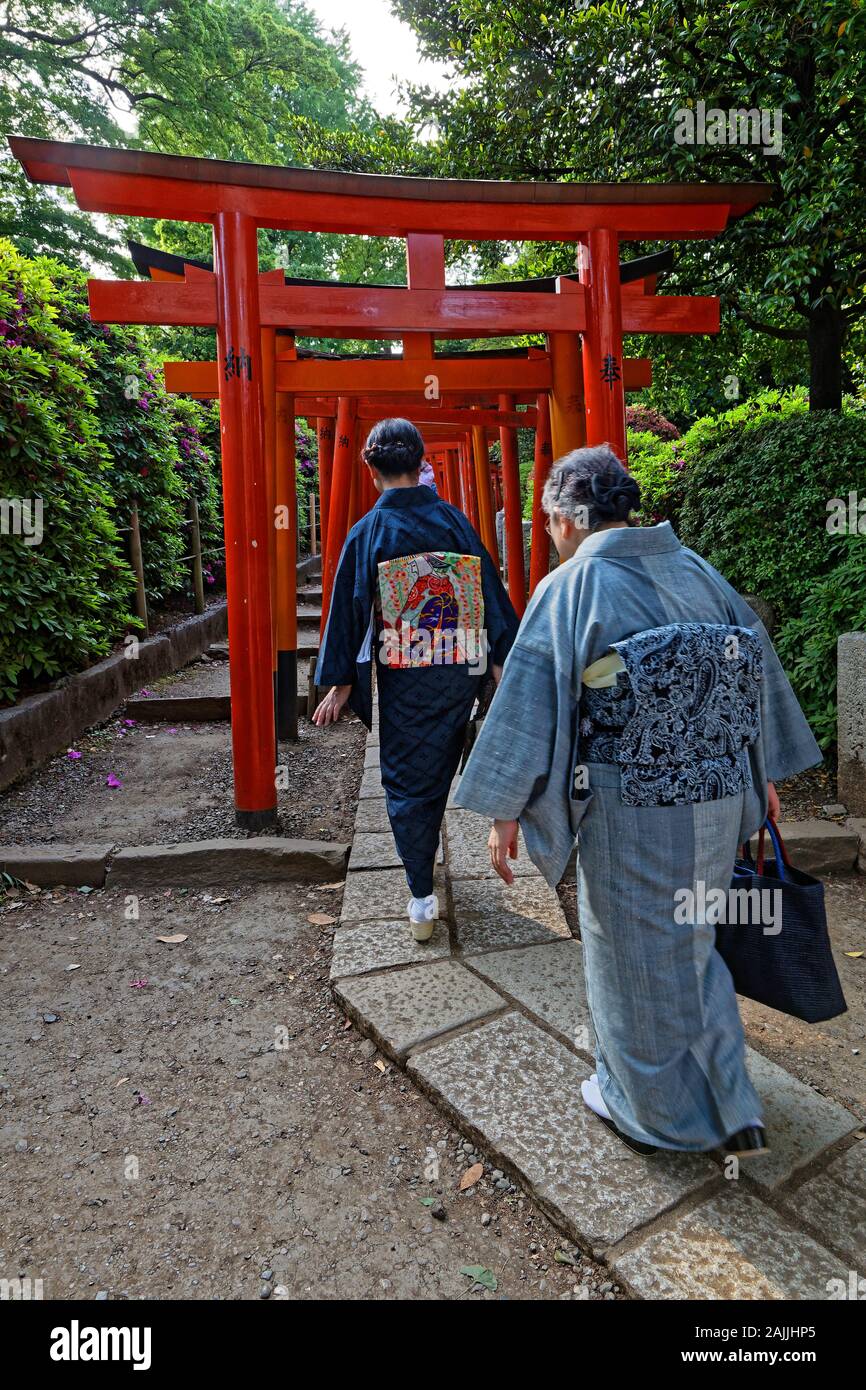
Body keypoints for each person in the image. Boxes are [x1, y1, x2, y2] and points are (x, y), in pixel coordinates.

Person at [454, 444, 822, 1158]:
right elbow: (750, 677)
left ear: (564, 518)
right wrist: (762, 775)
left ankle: (656, 1115)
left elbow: (530, 701)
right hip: (718, 795)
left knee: (632, 956)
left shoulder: (571, 587)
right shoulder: (698, 569)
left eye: (549, 521)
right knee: (696, 940)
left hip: (631, 803)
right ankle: (728, 1100)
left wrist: (506, 810)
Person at [313, 418, 519, 940]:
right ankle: (447, 860)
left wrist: (341, 681)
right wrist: (500, 661)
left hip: (404, 670)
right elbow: (487, 588)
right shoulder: (453, 519)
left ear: (370, 465)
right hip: (461, 665)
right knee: (452, 753)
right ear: (421, 460)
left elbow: (349, 608)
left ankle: (421, 895)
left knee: (408, 779)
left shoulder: (367, 532)